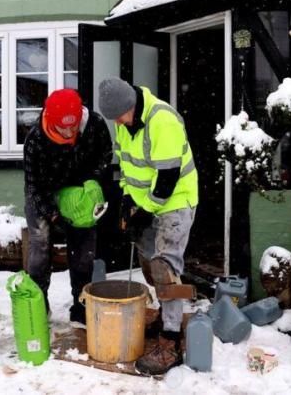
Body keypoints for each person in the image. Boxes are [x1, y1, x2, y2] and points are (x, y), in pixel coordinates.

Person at [98, 77, 198, 375]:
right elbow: (127, 168)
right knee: (147, 262)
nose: (117, 122)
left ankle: (171, 340)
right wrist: (128, 202)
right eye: (113, 118)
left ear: (132, 104)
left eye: (120, 115)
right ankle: (166, 314)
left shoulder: (162, 120)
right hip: (146, 203)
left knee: (165, 268)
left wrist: (145, 210)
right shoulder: (122, 123)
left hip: (175, 201)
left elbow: (167, 181)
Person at [23, 88, 112, 325]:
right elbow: (34, 186)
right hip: (46, 191)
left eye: (73, 128)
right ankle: (38, 303)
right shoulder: (36, 138)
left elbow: (105, 154)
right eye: (63, 129)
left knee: (84, 249)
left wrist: (91, 183)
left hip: (80, 193)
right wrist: (53, 215)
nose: (69, 132)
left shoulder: (94, 124)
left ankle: (80, 305)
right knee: (40, 244)